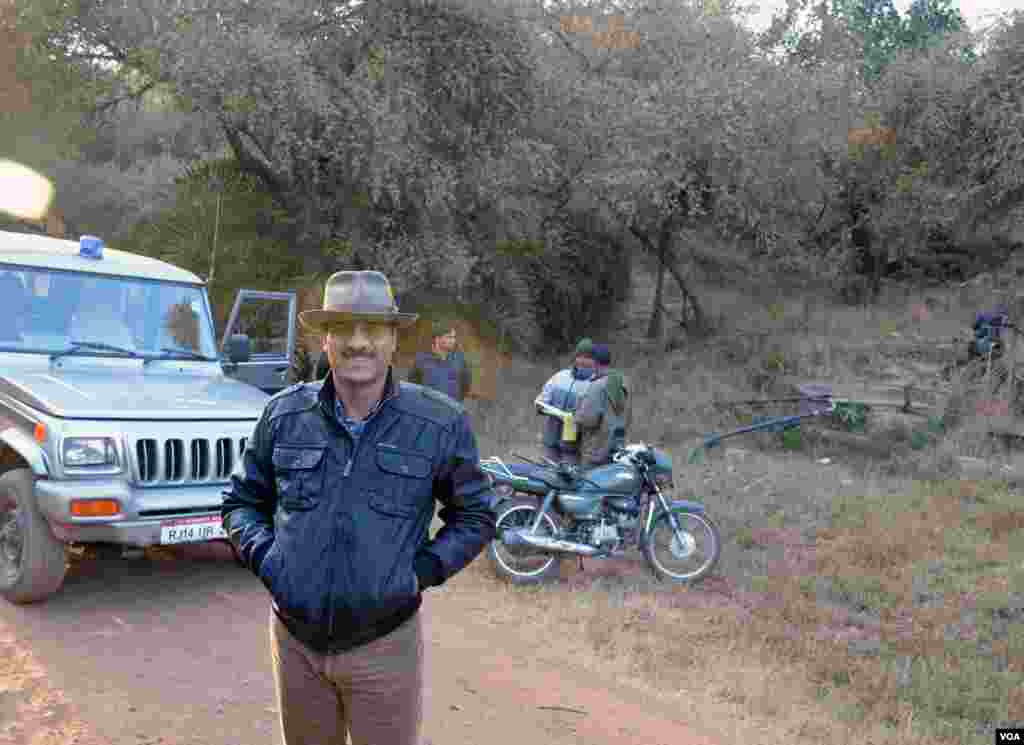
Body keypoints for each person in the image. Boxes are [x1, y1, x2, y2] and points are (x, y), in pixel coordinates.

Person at [221, 270, 497, 745]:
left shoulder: (436, 423)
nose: (358, 342)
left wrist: (422, 571)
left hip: (385, 645)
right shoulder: (284, 415)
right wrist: (271, 562)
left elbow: (475, 514)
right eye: (343, 328)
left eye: (372, 329)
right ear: (325, 340)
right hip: (295, 644)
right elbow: (243, 503)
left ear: (393, 339)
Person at [536, 338, 597, 466]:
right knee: (544, 476)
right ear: (575, 358)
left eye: (588, 357)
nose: (584, 360)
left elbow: (593, 418)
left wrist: (576, 418)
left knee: (566, 482)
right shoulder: (560, 376)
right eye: (581, 356)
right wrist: (541, 406)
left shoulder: (595, 385)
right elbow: (542, 400)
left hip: (573, 449)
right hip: (550, 443)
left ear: (595, 361)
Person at [576, 343, 632, 468]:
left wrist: (577, 414)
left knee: (590, 484)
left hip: (597, 450)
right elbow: (628, 415)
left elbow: (588, 420)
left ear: (594, 362)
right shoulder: (623, 381)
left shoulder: (597, 386)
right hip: (618, 446)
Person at [407, 320, 473, 402]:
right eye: (449, 337)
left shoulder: (459, 360)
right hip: (428, 411)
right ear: (437, 339)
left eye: (454, 337)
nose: (453, 341)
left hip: (451, 411)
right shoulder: (421, 360)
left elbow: (466, 386)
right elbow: (412, 387)